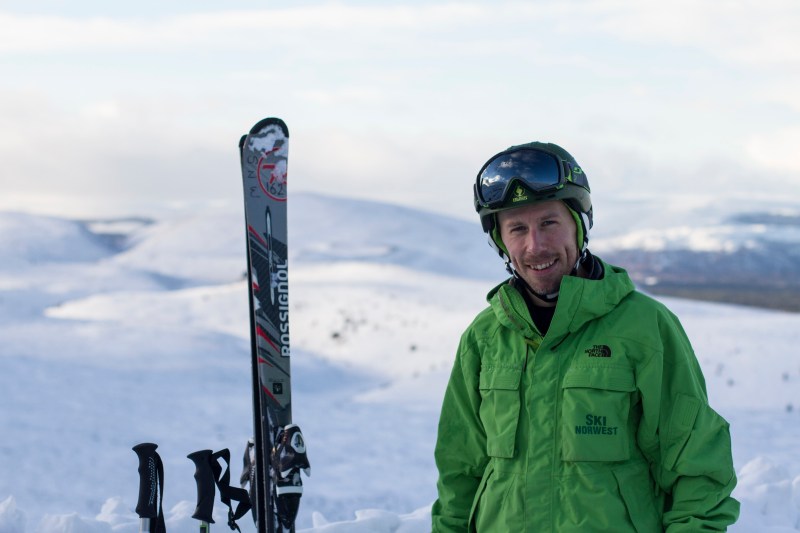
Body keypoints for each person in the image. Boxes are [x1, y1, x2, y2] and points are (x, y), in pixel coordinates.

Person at [431, 142, 739, 532]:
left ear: (579, 224)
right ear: (500, 241)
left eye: (549, 223)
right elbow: (459, 473)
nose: (535, 246)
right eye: (517, 229)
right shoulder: (484, 337)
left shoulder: (645, 327)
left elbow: (697, 467)